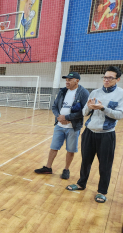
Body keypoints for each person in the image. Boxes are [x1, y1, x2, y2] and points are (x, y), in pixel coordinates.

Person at [66, 66, 123, 203]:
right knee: (85, 161)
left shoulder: (121, 94)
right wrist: (89, 108)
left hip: (106, 135)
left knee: (105, 164)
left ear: (118, 79)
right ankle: (81, 183)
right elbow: (84, 112)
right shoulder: (95, 92)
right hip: (89, 132)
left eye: (110, 77)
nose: (106, 80)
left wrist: (103, 108)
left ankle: (102, 191)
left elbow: (119, 115)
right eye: (105, 77)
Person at [34, 72, 89, 179]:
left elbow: (85, 111)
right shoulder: (62, 91)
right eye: (66, 80)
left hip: (73, 127)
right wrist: (59, 117)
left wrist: (67, 117)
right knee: (53, 147)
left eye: (69, 80)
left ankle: (66, 170)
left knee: (70, 149)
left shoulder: (84, 93)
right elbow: (54, 106)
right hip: (59, 125)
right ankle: (48, 167)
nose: (67, 82)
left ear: (77, 81)